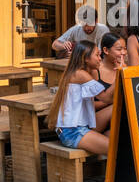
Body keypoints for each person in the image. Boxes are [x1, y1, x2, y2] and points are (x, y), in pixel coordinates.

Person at [49, 41, 111, 174]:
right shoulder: (80, 74)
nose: (100, 58)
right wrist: (122, 73)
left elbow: (96, 103)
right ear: (86, 58)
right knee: (117, 148)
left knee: (119, 135)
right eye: (97, 55)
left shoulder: (85, 72)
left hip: (81, 126)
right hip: (72, 131)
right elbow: (106, 97)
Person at [93, 32, 126, 131]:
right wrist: (114, 102)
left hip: (116, 124)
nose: (123, 52)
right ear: (106, 50)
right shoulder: (95, 71)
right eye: (119, 49)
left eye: (125, 48)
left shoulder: (126, 68)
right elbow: (89, 106)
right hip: (96, 120)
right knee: (118, 108)